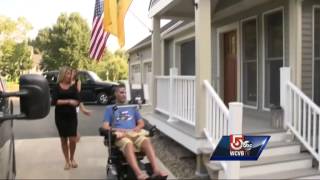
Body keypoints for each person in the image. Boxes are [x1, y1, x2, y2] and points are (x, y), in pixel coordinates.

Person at [102, 84, 167, 180]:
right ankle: (139, 173)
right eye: (121, 92)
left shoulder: (132, 107)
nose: (124, 94)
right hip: (121, 136)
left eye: (125, 92)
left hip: (134, 133)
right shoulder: (110, 109)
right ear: (115, 94)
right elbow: (105, 126)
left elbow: (141, 122)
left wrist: (138, 127)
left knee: (146, 141)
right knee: (128, 143)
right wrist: (116, 130)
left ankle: (156, 170)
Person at [52, 67, 80, 170]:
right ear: (63, 75)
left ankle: (72, 158)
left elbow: (78, 101)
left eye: (71, 74)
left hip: (72, 116)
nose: (70, 76)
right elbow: (54, 101)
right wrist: (68, 101)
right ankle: (67, 161)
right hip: (60, 117)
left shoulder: (73, 87)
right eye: (68, 74)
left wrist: (75, 102)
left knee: (72, 139)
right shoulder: (56, 87)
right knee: (63, 140)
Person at [71, 69, 92, 142]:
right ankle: (75, 135)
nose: (72, 74)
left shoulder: (78, 81)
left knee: (73, 118)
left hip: (75, 101)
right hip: (69, 101)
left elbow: (78, 91)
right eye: (72, 72)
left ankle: (76, 135)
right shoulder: (68, 81)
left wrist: (72, 86)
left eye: (74, 73)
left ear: (76, 74)